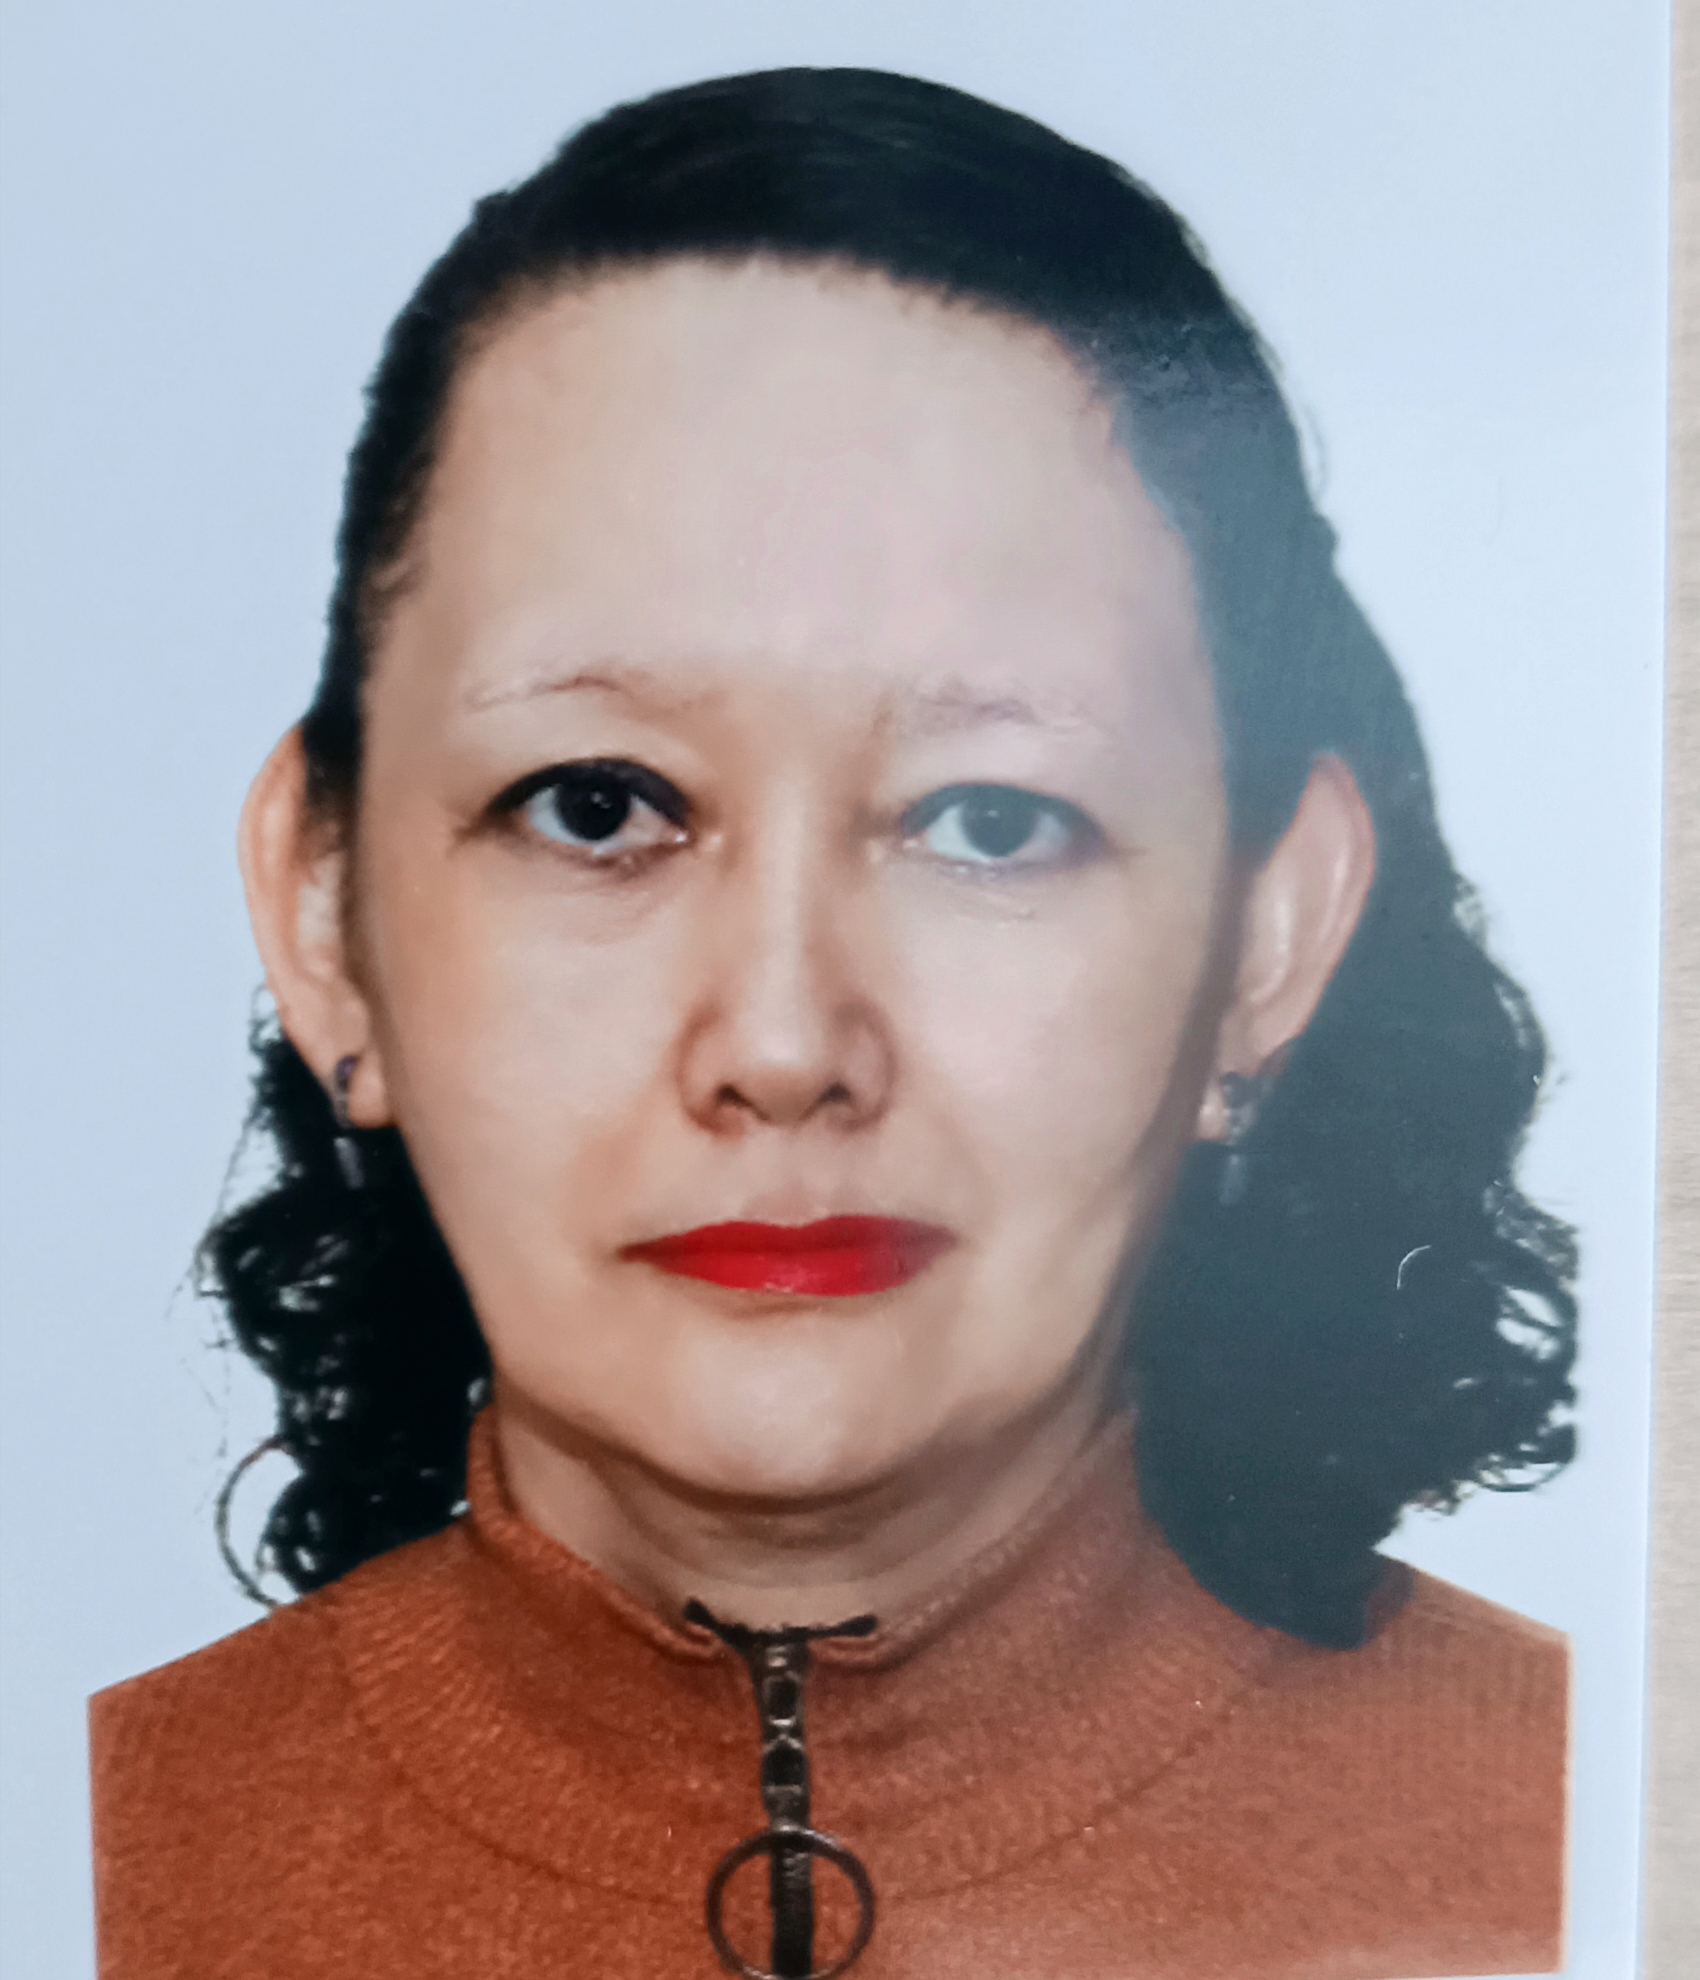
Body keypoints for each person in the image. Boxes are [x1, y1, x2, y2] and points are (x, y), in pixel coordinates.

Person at [89, 67, 1576, 1980]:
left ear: (1267, 939)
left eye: (991, 821)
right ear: (326, 918)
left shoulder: (1608, 1843)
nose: (785, 1045)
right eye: (599, 805)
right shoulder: (77, 1857)